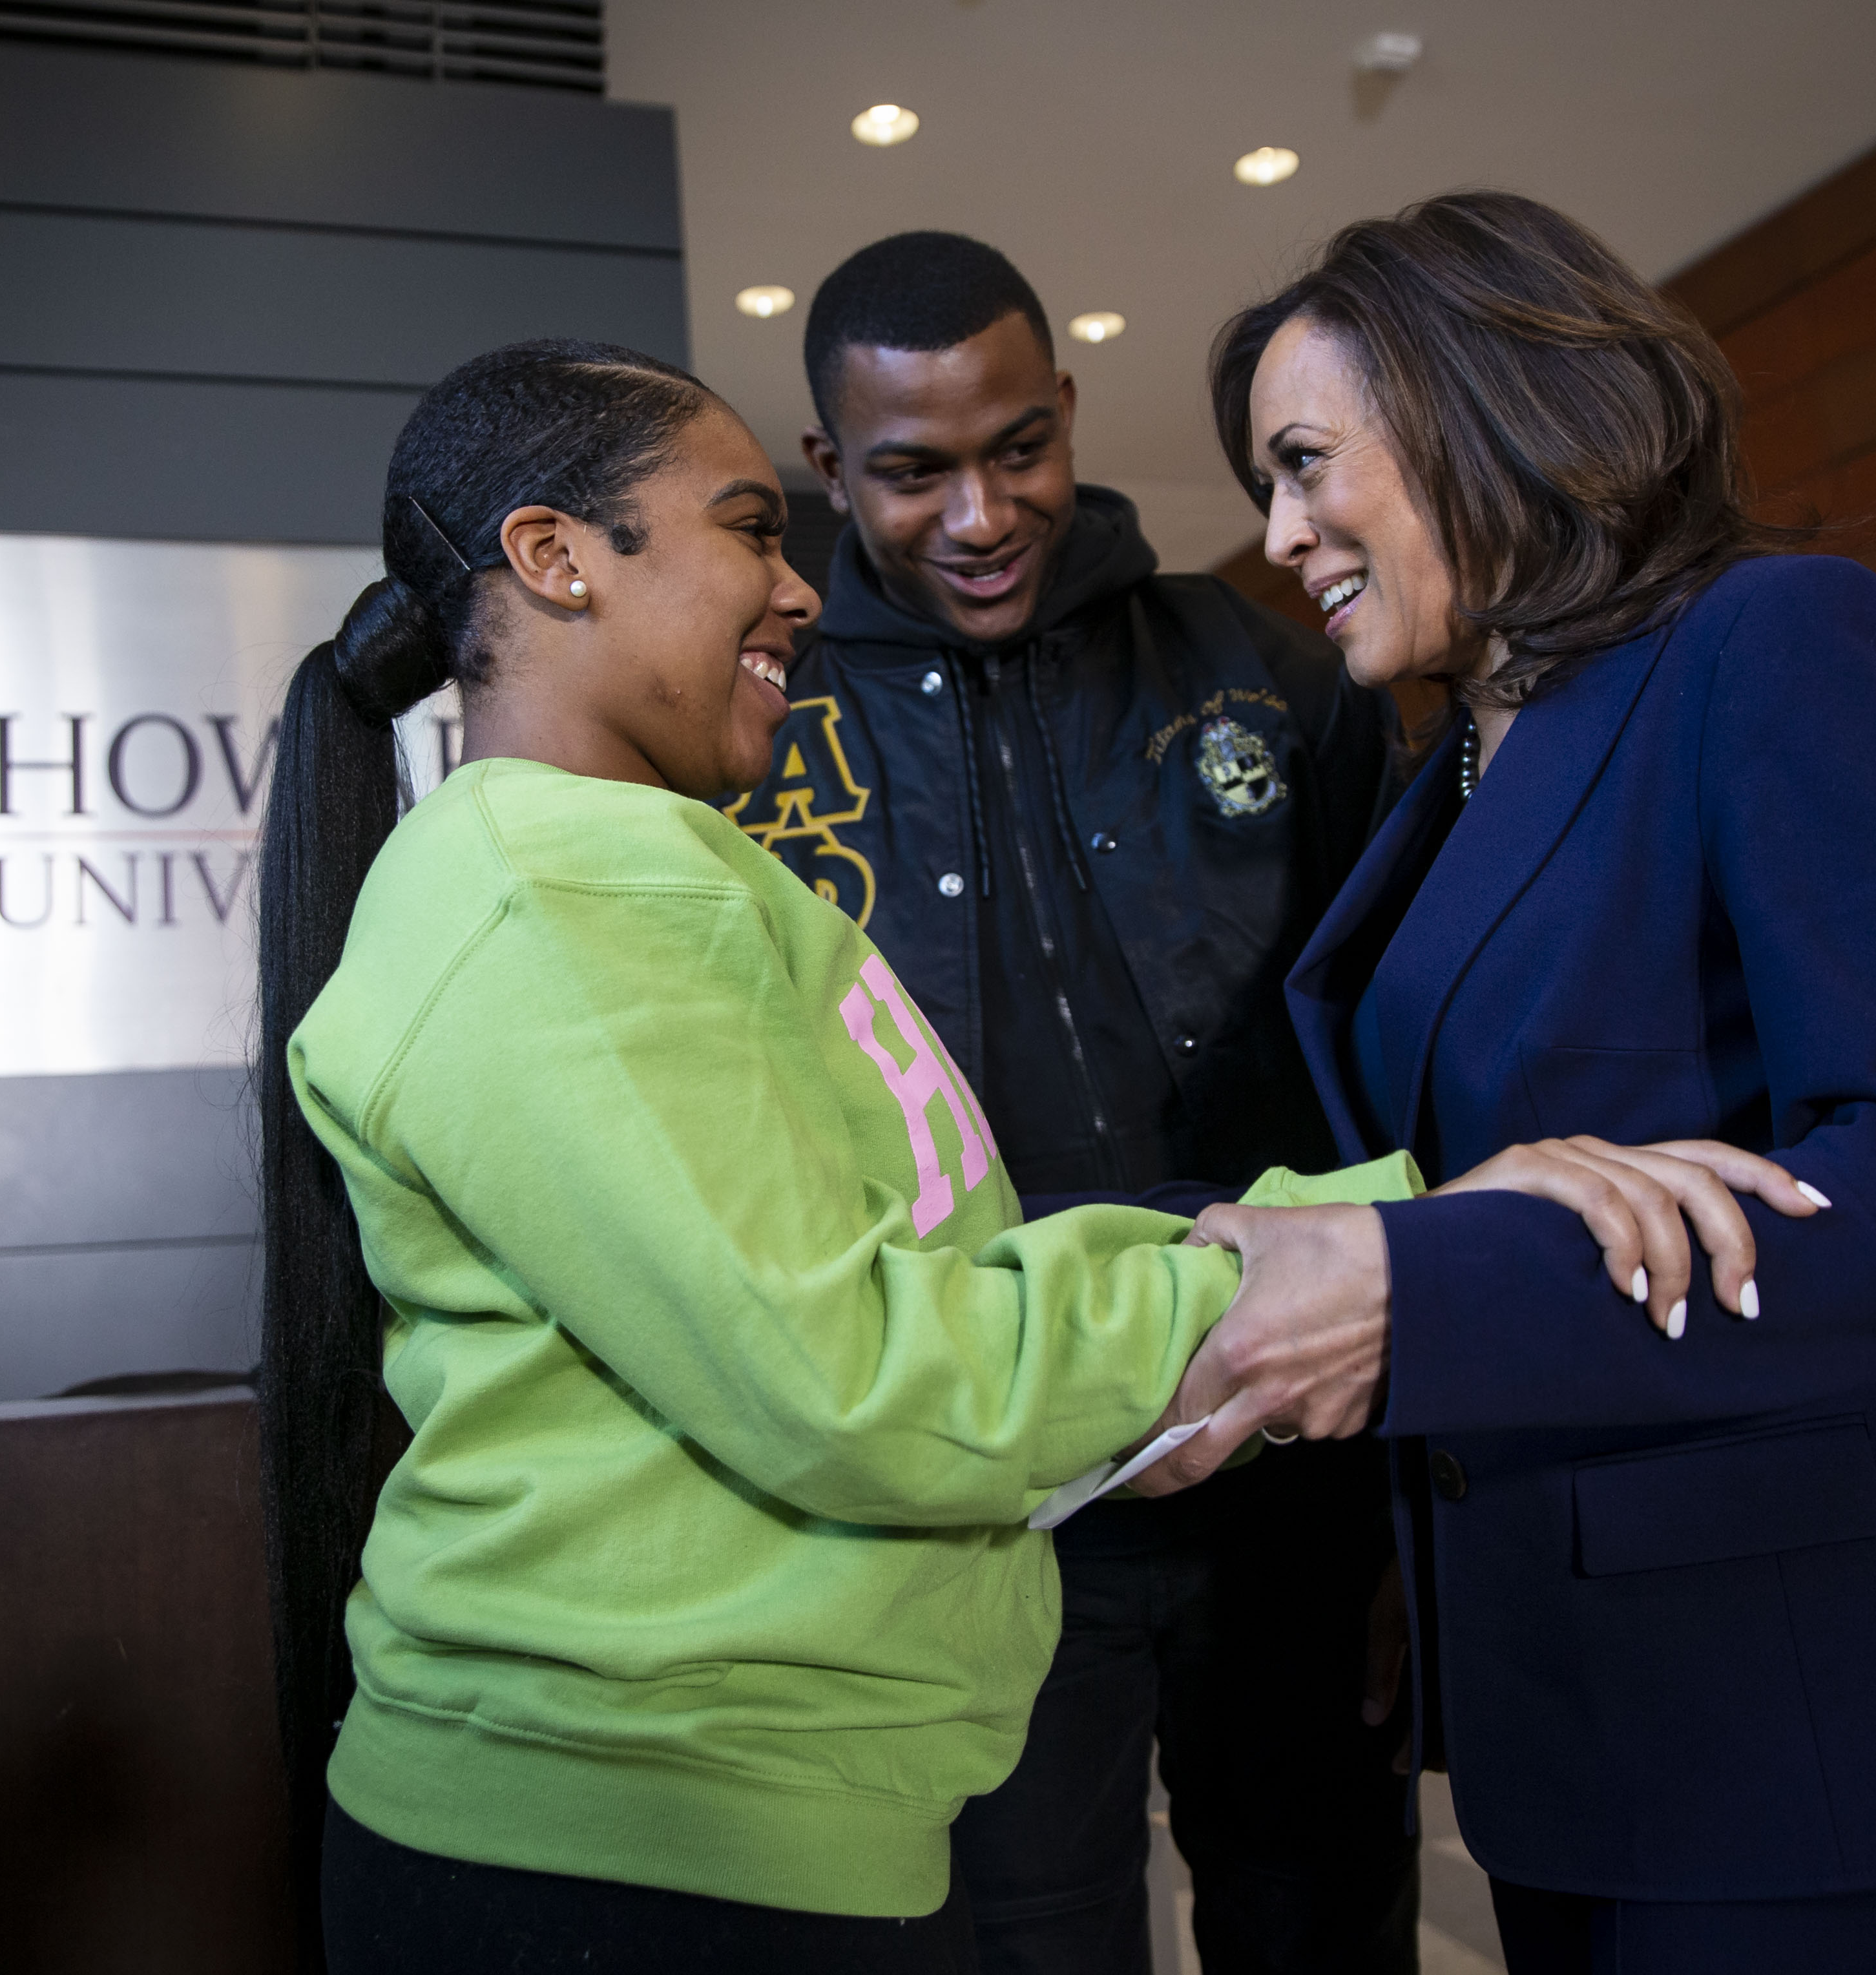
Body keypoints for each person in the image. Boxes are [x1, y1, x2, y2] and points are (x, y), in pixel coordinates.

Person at [251, 337, 1485, 1974]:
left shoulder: (645, 869)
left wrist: (1347, 1234)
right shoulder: (550, 899)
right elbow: (855, 1381)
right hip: (633, 1855)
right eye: (751, 529)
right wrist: (1368, 1265)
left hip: (761, 1822)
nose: (801, 589)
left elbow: (912, 1292)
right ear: (556, 559)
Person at [1148, 193, 1876, 1973]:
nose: (1280, 534)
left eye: (1307, 464)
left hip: (1838, 1698)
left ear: (1477, 406)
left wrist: (1417, 1289)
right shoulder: (1458, 777)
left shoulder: (1772, 641)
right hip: (1582, 1703)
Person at [740, 231, 1410, 1973]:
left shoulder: (1253, 660)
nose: (977, 515)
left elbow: (1377, 1040)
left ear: (1065, 411)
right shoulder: (760, 730)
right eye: (911, 473)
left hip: (1279, 1440)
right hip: (990, 1486)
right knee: (1031, 1939)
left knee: (1322, 1914)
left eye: (1016, 448)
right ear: (829, 469)